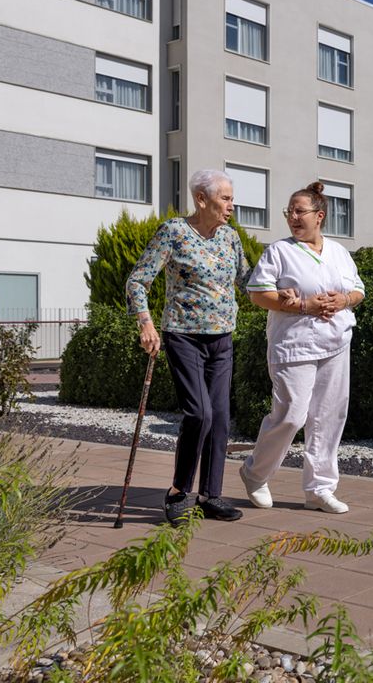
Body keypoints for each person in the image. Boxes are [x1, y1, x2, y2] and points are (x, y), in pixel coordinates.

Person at [126, 169, 250, 526]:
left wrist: (283, 290)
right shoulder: (174, 232)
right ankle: (179, 491)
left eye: (231, 197)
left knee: (222, 418)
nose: (231, 204)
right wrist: (146, 323)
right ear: (201, 199)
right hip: (184, 336)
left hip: (222, 338)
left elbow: (247, 280)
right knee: (200, 414)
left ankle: (211, 496)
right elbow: (137, 281)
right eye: (225, 198)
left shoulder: (230, 237)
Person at [238, 181, 365, 514]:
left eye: (299, 211)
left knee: (328, 416)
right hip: (293, 346)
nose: (292, 217)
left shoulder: (338, 252)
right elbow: (257, 294)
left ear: (319, 216)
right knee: (292, 415)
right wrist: (303, 306)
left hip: (336, 342)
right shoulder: (279, 252)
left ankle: (319, 489)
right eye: (289, 212)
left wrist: (344, 299)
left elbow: (358, 291)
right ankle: (254, 473)